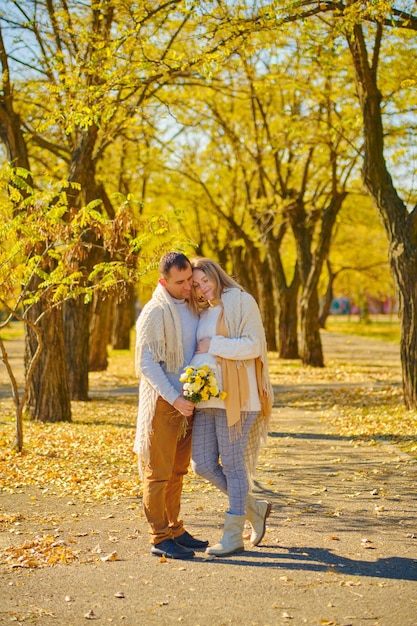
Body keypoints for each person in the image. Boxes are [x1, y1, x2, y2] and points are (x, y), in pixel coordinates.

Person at [189, 257, 274, 557]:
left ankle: (233, 536)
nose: (202, 288)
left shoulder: (240, 301)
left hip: (240, 399)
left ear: (216, 275)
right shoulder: (204, 311)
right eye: (196, 284)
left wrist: (214, 345)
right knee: (201, 464)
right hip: (208, 399)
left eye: (205, 280)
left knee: (235, 466)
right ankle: (254, 508)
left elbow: (254, 345)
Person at [133, 252, 209, 560]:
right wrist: (174, 397)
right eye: (180, 282)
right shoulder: (155, 311)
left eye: (190, 279)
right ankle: (159, 536)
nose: (187, 286)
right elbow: (146, 363)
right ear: (163, 281)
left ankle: (175, 529)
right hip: (165, 403)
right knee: (158, 473)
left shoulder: (192, 305)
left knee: (178, 471)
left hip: (187, 402)